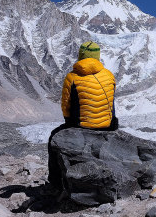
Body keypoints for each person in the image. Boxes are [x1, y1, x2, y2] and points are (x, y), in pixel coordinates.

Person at [47, 40, 118, 191]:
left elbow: (65, 105)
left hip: (80, 126)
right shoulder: (109, 75)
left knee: (53, 137)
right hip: (108, 126)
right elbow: (111, 103)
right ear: (98, 57)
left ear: (81, 56)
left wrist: (68, 121)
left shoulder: (72, 77)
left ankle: (55, 182)